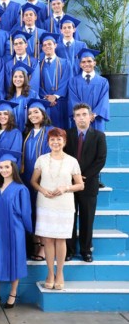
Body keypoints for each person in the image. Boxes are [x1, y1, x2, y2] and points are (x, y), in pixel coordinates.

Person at [30, 128, 84, 291]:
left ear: (64, 142)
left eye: (59, 139)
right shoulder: (41, 159)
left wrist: (65, 188)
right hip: (46, 203)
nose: (55, 142)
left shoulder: (72, 161)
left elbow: (80, 185)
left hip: (64, 205)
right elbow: (33, 181)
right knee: (47, 240)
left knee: (60, 239)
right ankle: (50, 274)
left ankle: (60, 273)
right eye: (52, 139)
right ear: (48, 142)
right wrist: (42, 190)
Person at [0, 150, 32, 313]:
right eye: (1, 167)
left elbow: (26, 213)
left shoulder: (21, 189)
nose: (4, 170)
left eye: (7, 167)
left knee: (15, 262)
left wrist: (29, 232)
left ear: (13, 167)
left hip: (15, 232)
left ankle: (13, 294)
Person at [64, 103, 107, 262]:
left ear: (90, 116)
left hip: (88, 184)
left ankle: (85, 250)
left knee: (87, 219)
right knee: (70, 217)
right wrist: (73, 177)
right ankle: (68, 250)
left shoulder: (99, 136)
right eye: (77, 115)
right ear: (74, 118)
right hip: (70, 184)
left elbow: (100, 160)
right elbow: (64, 158)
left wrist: (83, 177)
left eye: (84, 114)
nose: (81, 118)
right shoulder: (67, 135)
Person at [21, 98, 53, 260]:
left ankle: (42, 247)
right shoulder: (27, 134)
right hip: (27, 179)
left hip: (43, 179)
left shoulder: (51, 132)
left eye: (36, 112)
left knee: (42, 213)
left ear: (43, 114)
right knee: (32, 212)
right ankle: (34, 243)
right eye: (30, 113)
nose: (32, 115)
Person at [68, 49, 110, 132]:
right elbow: (73, 99)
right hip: (80, 119)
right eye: (83, 62)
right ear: (80, 64)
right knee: (79, 143)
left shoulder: (103, 81)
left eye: (89, 61)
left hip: (96, 119)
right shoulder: (73, 81)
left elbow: (103, 100)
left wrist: (93, 114)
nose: (86, 64)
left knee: (96, 142)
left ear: (94, 63)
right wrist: (84, 115)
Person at [38, 32, 70, 128]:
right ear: (42, 48)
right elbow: (36, 83)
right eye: (44, 45)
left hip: (60, 102)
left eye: (49, 44)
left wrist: (55, 96)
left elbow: (67, 80)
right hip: (44, 102)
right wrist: (46, 97)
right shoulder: (38, 64)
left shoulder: (65, 63)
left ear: (55, 45)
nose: (47, 47)